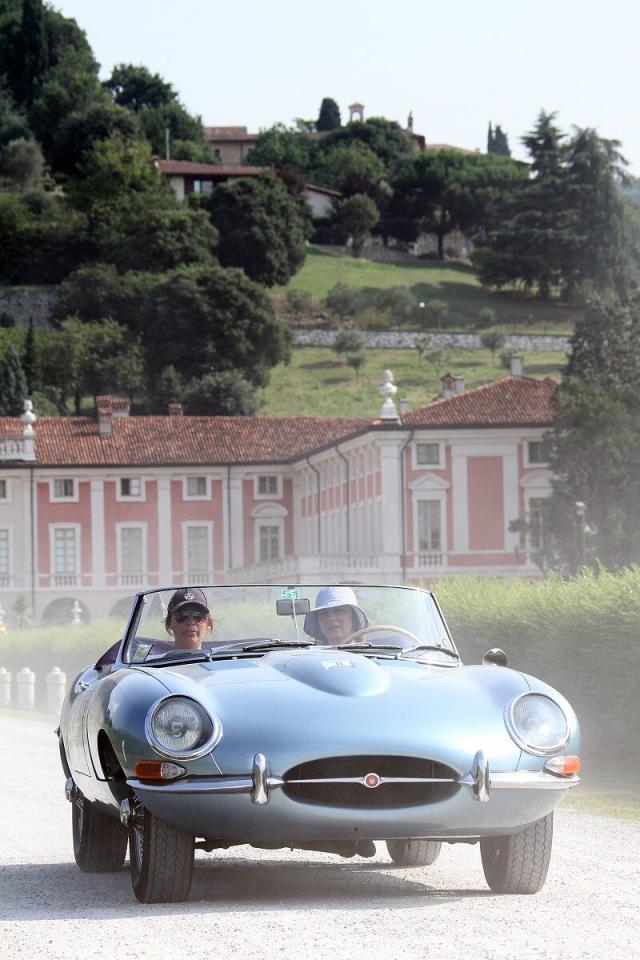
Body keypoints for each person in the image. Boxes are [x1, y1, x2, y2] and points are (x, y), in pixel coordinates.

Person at [303, 586, 368, 645]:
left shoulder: (371, 655)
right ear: (318, 623)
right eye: (324, 613)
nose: (330, 618)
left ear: (354, 618)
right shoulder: (312, 656)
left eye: (339, 611)